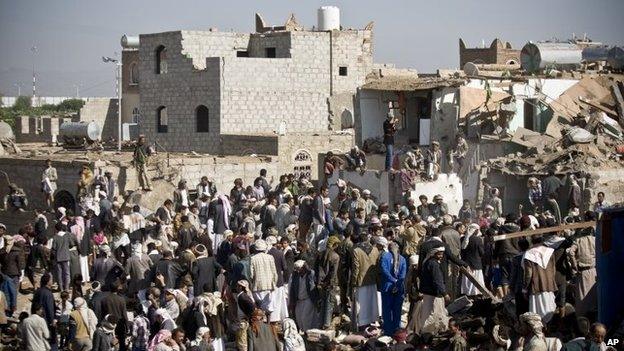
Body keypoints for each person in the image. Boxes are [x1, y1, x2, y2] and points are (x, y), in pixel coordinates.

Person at [411, 246, 449, 335]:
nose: (441, 256)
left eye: (442, 254)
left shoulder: (427, 262)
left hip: (427, 294)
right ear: (434, 254)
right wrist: (444, 293)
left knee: (426, 314)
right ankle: (431, 333)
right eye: (439, 254)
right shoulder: (434, 264)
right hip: (434, 295)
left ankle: (425, 333)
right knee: (435, 315)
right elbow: (437, 280)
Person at [350, 233, 380, 330]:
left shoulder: (356, 251)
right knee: (372, 302)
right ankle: (372, 321)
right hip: (373, 280)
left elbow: (356, 268)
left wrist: (353, 282)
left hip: (361, 280)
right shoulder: (375, 250)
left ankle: (363, 324)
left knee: (361, 304)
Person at [379, 241, 407, 336]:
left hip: (387, 287)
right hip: (399, 288)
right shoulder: (402, 259)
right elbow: (403, 275)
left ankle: (388, 331)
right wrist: (397, 282)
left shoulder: (385, 257)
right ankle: (396, 330)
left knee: (387, 310)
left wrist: (392, 280)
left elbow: (384, 270)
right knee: (397, 309)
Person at [289, 260, 319, 332]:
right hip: (299, 300)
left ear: (304, 268)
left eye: (300, 269)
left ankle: (307, 334)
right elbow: (292, 288)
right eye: (297, 269)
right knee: (299, 318)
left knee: (305, 318)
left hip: (308, 299)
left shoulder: (310, 274)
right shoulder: (295, 275)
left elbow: (313, 285)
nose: (298, 271)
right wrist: (292, 301)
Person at [459, 224, 485, 296]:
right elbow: (482, 252)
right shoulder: (478, 239)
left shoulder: (462, 239)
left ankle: (469, 295)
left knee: (468, 281)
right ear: (476, 230)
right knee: (477, 282)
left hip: (466, 264)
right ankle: (476, 295)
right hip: (476, 264)